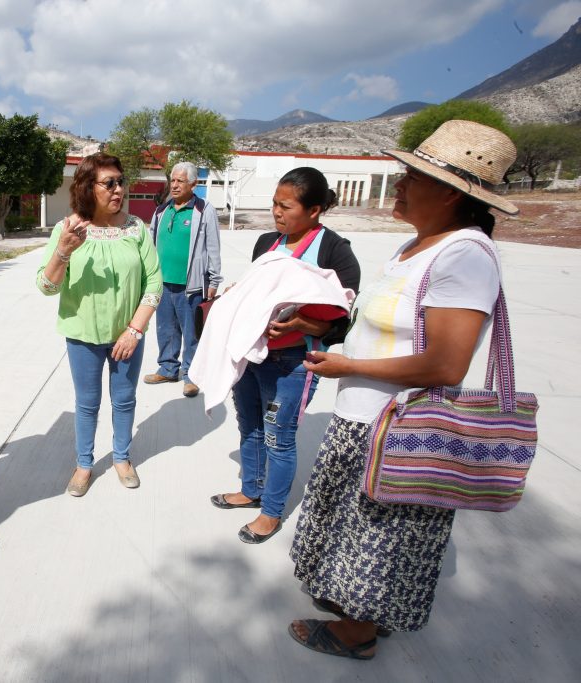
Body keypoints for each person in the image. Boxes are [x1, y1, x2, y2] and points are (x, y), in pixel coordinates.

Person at [288, 120, 520, 659]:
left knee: (380, 536)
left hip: (398, 428)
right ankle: (357, 608)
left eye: (412, 178)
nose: (399, 184)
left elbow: (446, 363)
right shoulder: (417, 246)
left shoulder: (464, 255)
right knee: (356, 529)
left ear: (450, 193)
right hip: (366, 418)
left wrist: (350, 366)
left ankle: (358, 635)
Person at [210, 168, 360, 544]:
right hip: (254, 355)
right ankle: (251, 489)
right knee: (250, 425)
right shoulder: (267, 243)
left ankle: (272, 512)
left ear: (314, 210)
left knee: (279, 436)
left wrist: (301, 324)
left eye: (286, 206)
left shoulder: (334, 251)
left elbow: (343, 322)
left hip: (293, 363)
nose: (276, 212)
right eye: (274, 204)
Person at [36, 153, 162, 496]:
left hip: (128, 336)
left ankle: (121, 457)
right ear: (88, 188)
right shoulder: (68, 229)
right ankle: (84, 464)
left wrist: (134, 330)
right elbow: (46, 287)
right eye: (109, 183)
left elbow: (154, 283)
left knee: (124, 399)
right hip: (82, 337)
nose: (119, 189)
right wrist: (63, 250)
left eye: (121, 182)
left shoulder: (136, 229)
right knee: (87, 403)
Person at [143, 162, 222, 397]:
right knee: (165, 329)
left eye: (180, 181)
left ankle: (192, 375)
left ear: (193, 184)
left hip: (192, 285)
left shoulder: (203, 210)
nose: (175, 185)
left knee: (191, 333)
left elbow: (213, 247)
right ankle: (168, 369)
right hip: (163, 283)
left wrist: (214, 281)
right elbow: (151, 244)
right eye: (173, 180)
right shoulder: (161, 210)